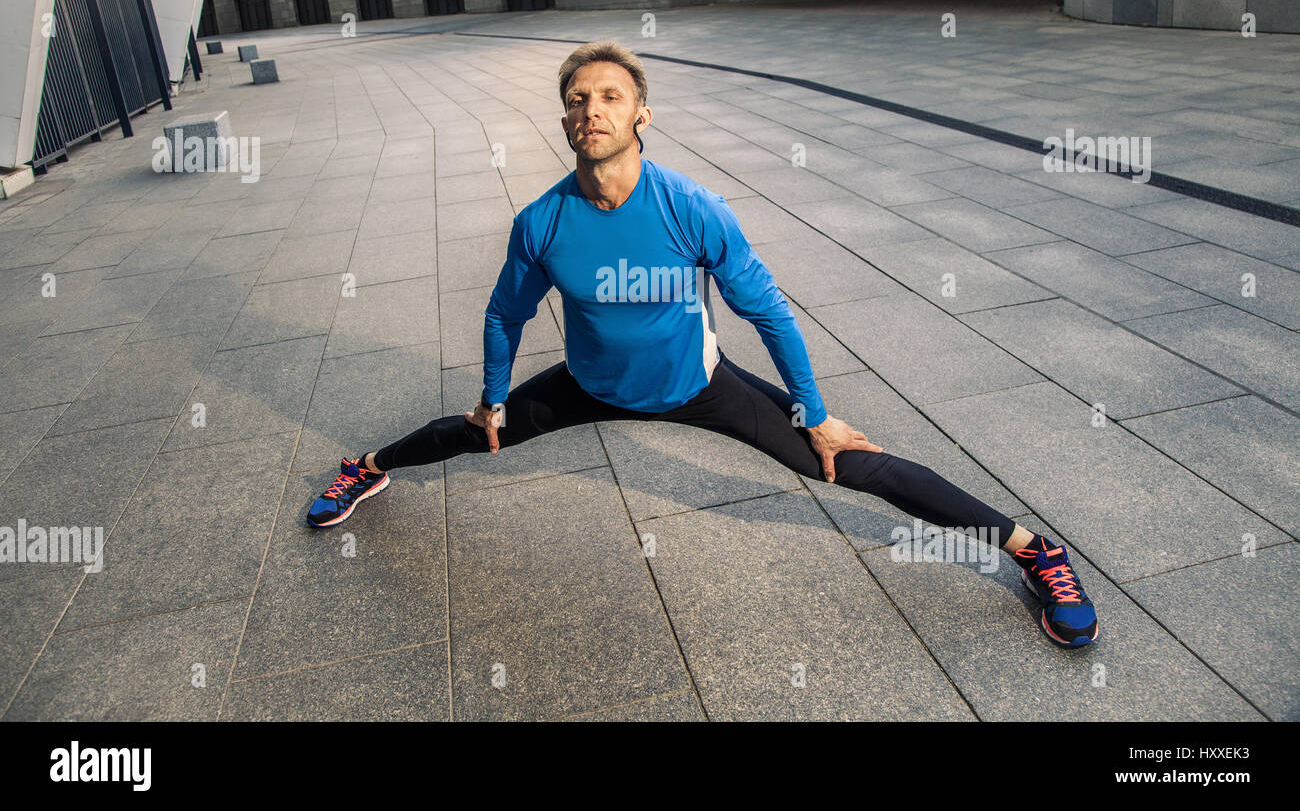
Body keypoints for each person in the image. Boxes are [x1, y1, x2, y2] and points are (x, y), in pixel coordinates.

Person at [307, 40, 1099, 650]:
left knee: (848, 462)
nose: (593, 109)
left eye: (611, 96)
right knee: (477, 433)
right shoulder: (542, 221)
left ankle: (1036, 553)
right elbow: (503, 313)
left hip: (701, 385)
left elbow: (771, 313)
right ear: (564, 122)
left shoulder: (693, 208)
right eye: (578, 99)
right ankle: (364, 470)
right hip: (590, 383)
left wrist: (815, 412)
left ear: (640, 116)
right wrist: (491, 393)